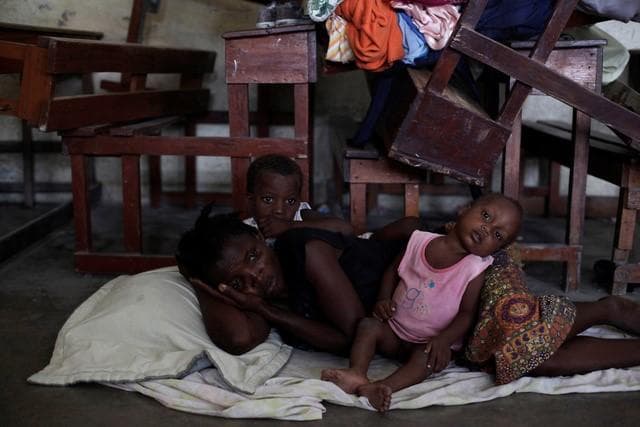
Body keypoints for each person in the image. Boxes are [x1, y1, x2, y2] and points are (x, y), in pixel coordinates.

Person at [320, 193, 523, 412]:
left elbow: (466, 314)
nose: (486, 229)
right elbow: (392, 271)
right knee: (367, 326)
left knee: (425, 361)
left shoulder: (474, 268)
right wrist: (383, 299)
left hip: (428, 343)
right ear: (463, 209)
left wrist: (444, 341)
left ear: (496, 250)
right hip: (394, 331)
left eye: (497, 235)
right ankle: (357, 373)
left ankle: (380, 387)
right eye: (485, 216)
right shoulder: (418, 240)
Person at [244, 154, 354, 242]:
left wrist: (290, 226)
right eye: (268, 199)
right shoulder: (246, 231)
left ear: (298, 201)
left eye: (290, 201)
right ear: (251, 201)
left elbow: (345, 229)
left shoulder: (300, 215)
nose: (279, 210)